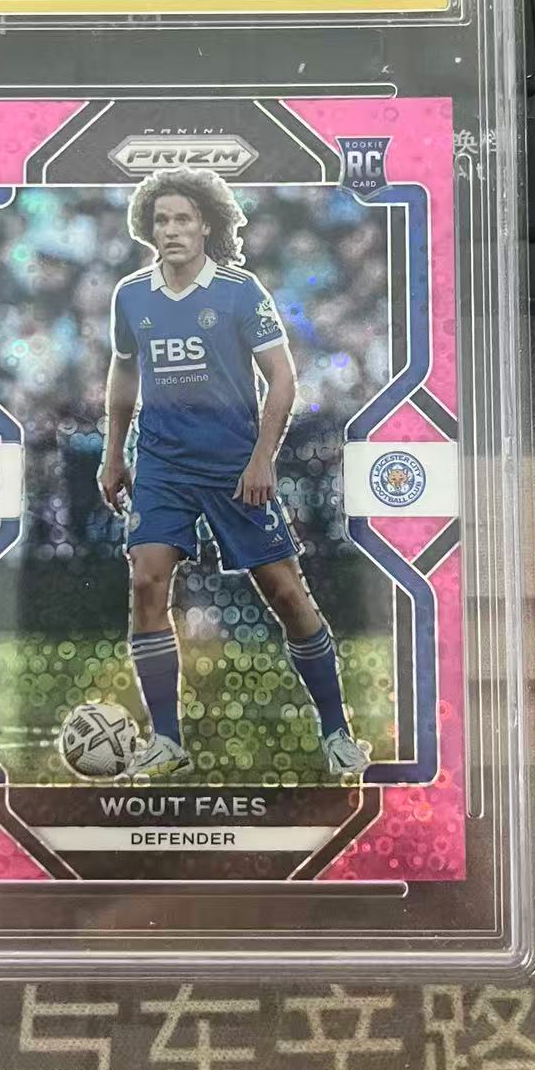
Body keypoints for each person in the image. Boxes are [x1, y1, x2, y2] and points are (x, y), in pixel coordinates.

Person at [98, 167, 370, 780]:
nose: (172, 229)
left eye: (183, 219)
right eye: (161, 220)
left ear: (206, 226)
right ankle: (166, 740)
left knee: (286, 593)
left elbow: (283, 378)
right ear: (149, 229)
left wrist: (262, 459)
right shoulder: (131, 296)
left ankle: (336, 731)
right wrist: (114, 453)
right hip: (162, 464)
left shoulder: (240, 292)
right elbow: (124, 370)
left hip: (233, 465)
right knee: (146, 582)